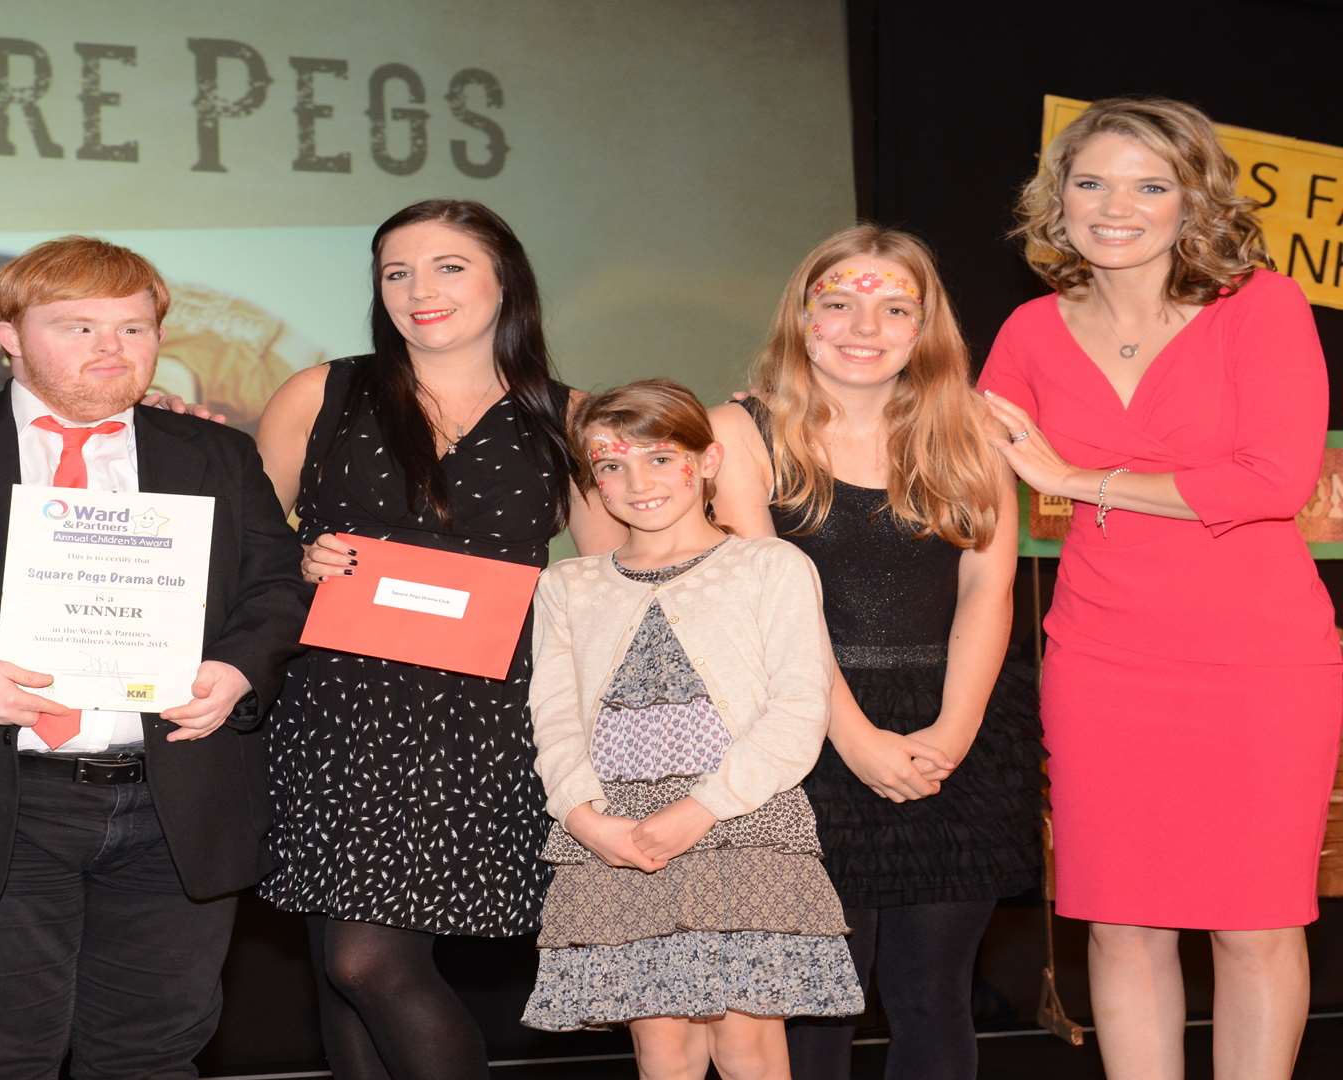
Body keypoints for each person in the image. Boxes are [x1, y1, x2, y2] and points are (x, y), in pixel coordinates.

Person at [0, 235, 310, 1078]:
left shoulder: (214, 454)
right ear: (8, 336)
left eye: (134, 328)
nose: (112, 348)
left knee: (151, 1059)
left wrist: (236, 670)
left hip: (171, 807)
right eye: (77, 327)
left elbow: (275, 590)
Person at [978, 96, 1341, 1079]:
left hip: (1261, 660)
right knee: (1122, 918)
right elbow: (956, 468)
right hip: (1103, 659)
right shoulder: (1028, 331)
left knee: (1256, 920)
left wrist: (1078, 481)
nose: (1116, 206)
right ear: (1059, 200)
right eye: (1091, 182)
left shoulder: (1261, 306)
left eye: (1150, 184)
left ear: (1194, 200)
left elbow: (1274, 481)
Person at [253, 198, 624, 1078]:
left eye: (449, 266)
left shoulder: (568, 418)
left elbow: (610, 586)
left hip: (485, 722)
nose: (420, 289)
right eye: (396, 272)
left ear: (506, 280)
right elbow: (245, 548)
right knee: (340, 977)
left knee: (367, 963)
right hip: (335, 713)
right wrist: (298, 559)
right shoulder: (321, 392)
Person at [709, 226, 1042, 1079]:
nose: (866, 326)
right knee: (822, 998)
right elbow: (772, 609)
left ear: (925, 327)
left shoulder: (971, 430)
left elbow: (985, 594)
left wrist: (954, 736)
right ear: (802, 317)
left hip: (952, 735)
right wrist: (853, 740)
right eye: (840, 304)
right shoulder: (742, 430)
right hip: (804, 735)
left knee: (935, 993)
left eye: (896, 308)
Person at [522, 379, 862, 1078]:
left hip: (740, 823)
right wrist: (585, 819)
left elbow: (801, 706)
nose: (634, 482)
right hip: (620, 833)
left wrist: (701, 809)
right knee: (662, 1044)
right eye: (610, 465)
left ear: (706, 462)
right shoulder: (568, 586)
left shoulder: (769, 567)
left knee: (746, 1041)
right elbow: (552, 715)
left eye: (658, 458)